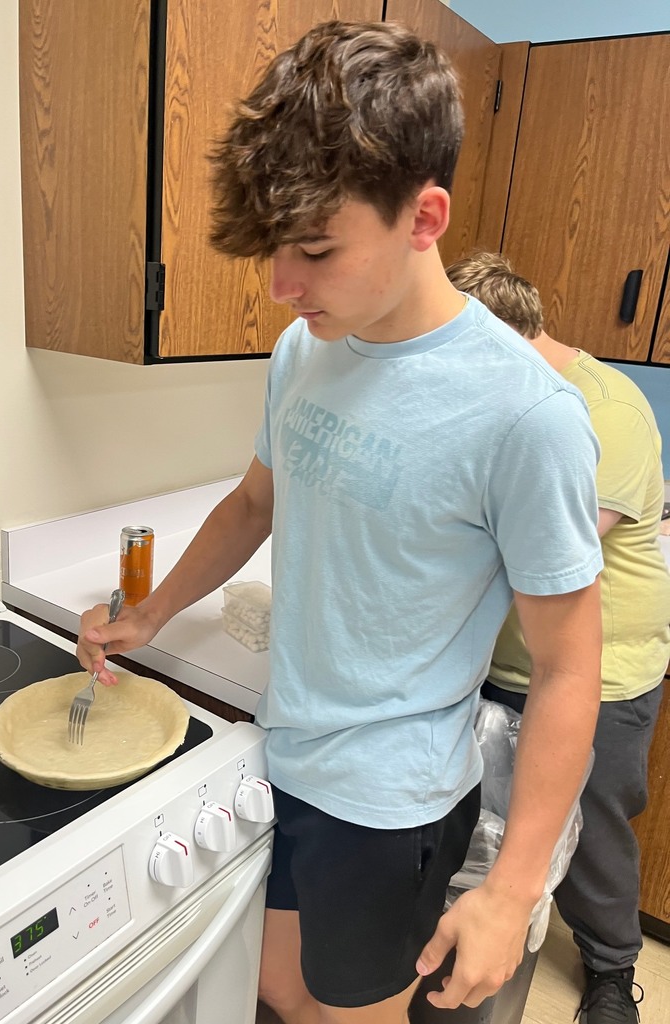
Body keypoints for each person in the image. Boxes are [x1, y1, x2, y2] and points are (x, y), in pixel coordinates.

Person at [77, 23, 605, 1024]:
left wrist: (514, 886)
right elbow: (255, 503)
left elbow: (571, 669)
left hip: (391, 803)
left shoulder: (525, 415)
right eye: (276, 250)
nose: (283, 286)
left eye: (316, 251)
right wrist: (148, 613)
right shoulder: (304, 349)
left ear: (423, 217)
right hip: (283, 750)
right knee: (274, 988)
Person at [447, 251, 670, 1024]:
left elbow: (541, 549)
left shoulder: (605, 415)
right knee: (495, 821)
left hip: (598, 673)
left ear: (501, 341)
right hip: (501, 659)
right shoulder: (503, 400)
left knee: (591, 831)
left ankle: (612, 968)